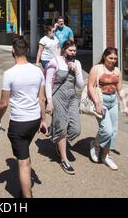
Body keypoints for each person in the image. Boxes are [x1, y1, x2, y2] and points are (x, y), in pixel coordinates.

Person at [0, 35, 46, 199]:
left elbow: (3, 103)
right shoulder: (38, 71)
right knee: (25, 153)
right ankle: (25, 190)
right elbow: (42, 98)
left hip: (19, 123)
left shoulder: (9, 73)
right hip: (35, 120)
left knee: (23, 162)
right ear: (27, 50)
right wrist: (43, 120)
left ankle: (26, 196)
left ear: (12, 51)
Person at [45, 41, 84, 175]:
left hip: (72, 98)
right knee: (61, 127)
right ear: (64, 50)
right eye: (70, 50)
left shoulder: (77, 63)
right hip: (57, 97)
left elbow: (80, 86)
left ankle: (58, 139)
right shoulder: (54, 61)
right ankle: (64, 159)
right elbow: (48, 83)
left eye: (74, 50)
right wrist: (49, 101)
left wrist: (76, 71)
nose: (73, 53)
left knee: (76, 129)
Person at [88, 47, 128, 170]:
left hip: (113, 101)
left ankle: (106, 156)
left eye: (115, 58)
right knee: (107, 130)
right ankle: (95, 144)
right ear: (104, 56)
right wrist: (97, 102)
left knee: (114, 131)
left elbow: (120, 89)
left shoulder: (117, 70)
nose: (113, 61)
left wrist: (125, 105)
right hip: (101, 100)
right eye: (110, 58)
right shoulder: (97, 68)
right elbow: (90, 86)